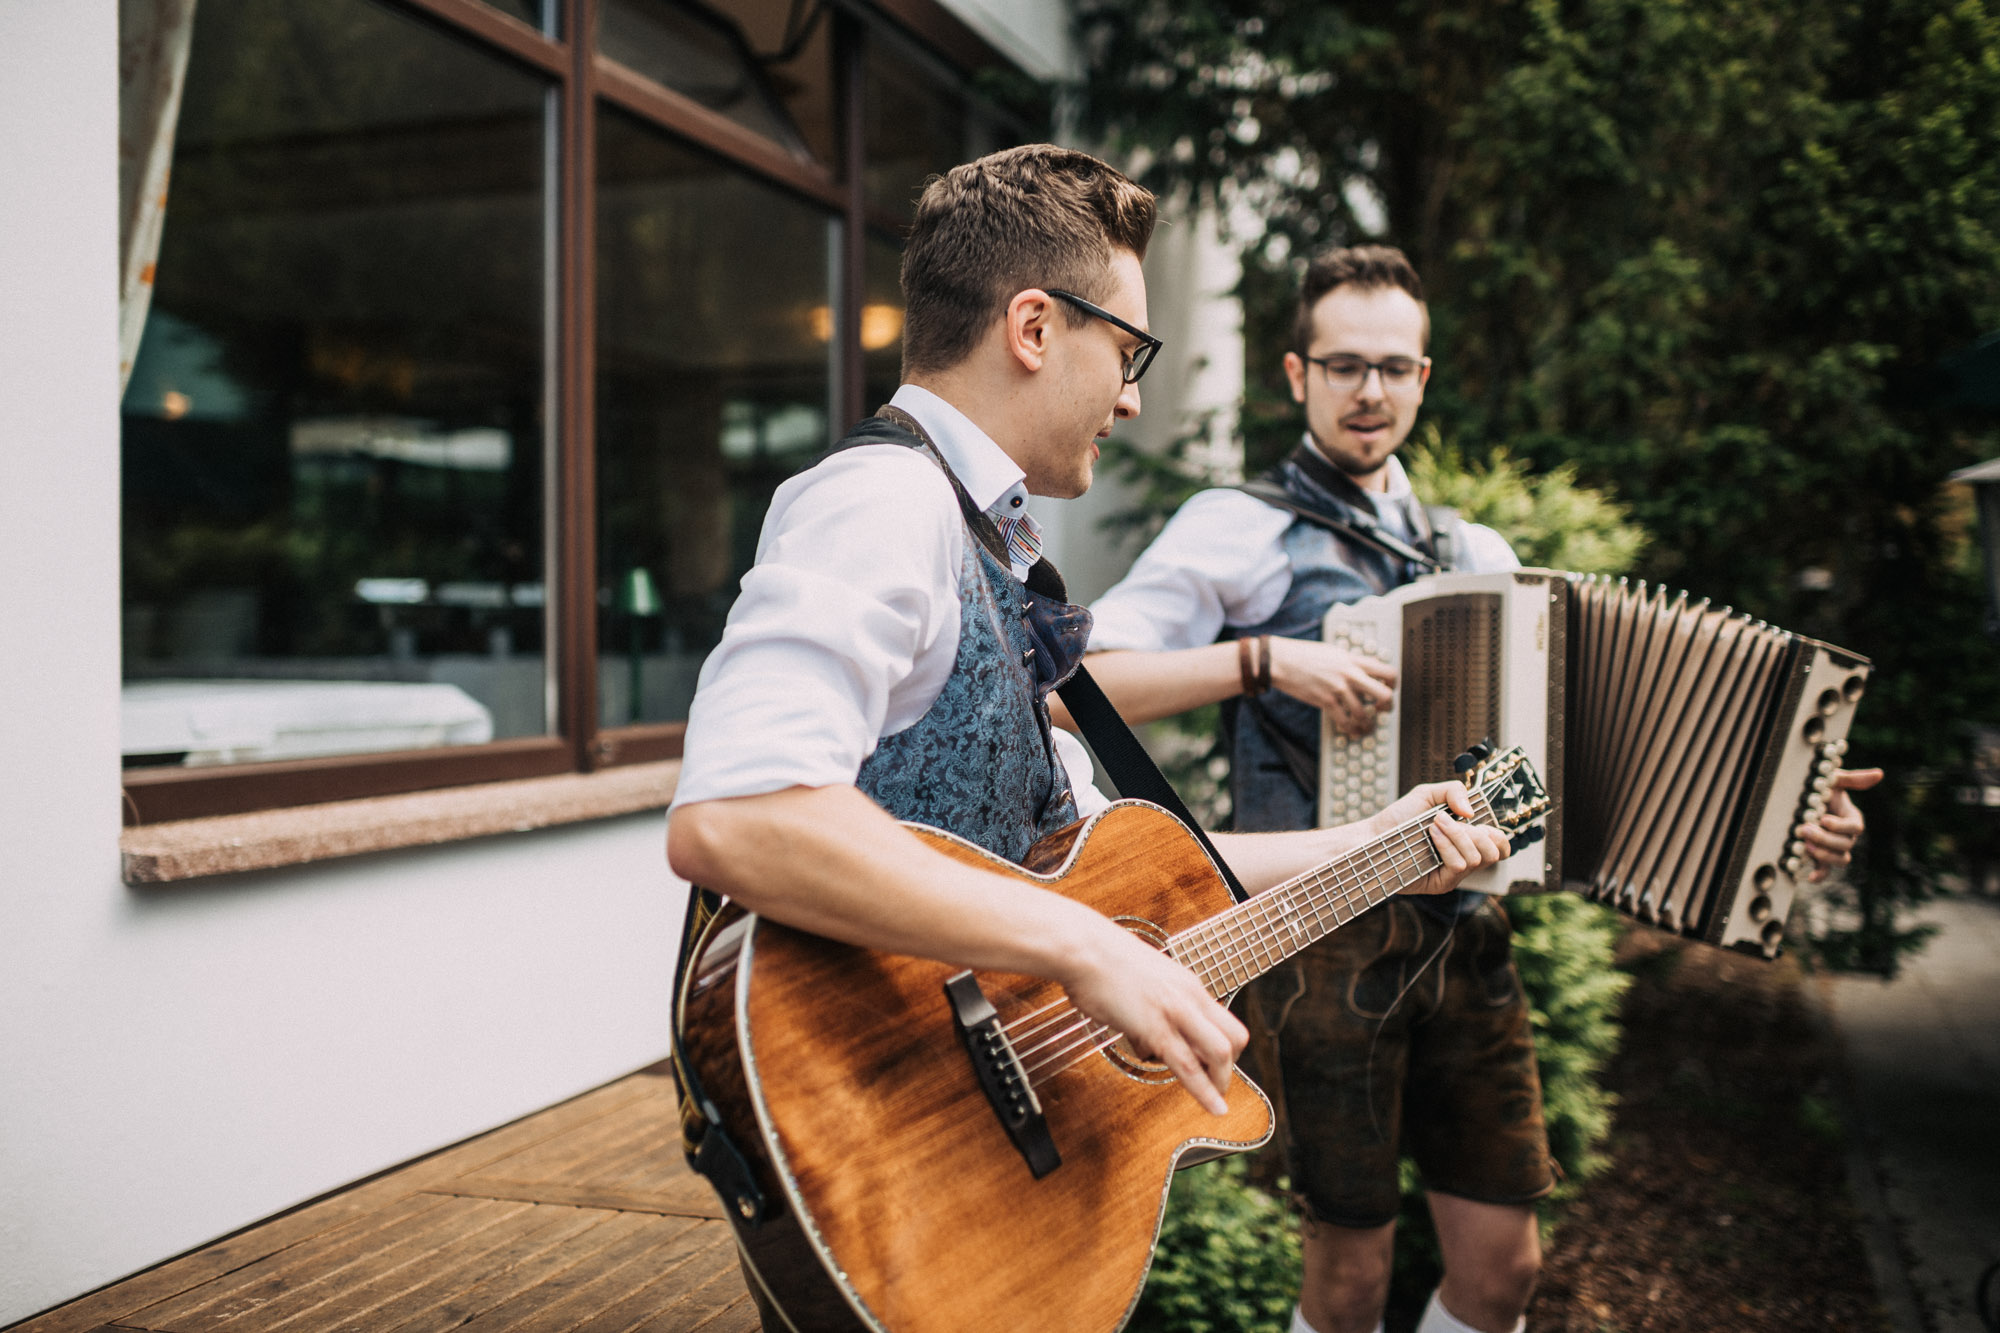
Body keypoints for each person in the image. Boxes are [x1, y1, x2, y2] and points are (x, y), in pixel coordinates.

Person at [664, 153, 1513, 1328]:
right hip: (879, 1128)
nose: (1128, 398)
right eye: (1128, 352)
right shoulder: (882, 504)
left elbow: (1079, 862)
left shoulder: (989, 546)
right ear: (1031, 327)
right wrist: (1085, 949)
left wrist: (1370, 837)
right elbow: (738, 815)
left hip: (968, 1157)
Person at [1079, 244, 1880, 1333]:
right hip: (1323, 947)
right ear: (1294, 375)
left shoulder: (1475, 552)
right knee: (1348, 1284)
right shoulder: (1238, 526)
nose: (1369, 391)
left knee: (1503, 1271)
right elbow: (1078, 691)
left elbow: (1580, 779)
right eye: (1343, 365)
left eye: (1394, 367)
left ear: (1422, 379)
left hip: (1468, 940)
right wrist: (1263, 660)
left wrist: (1783, 824)